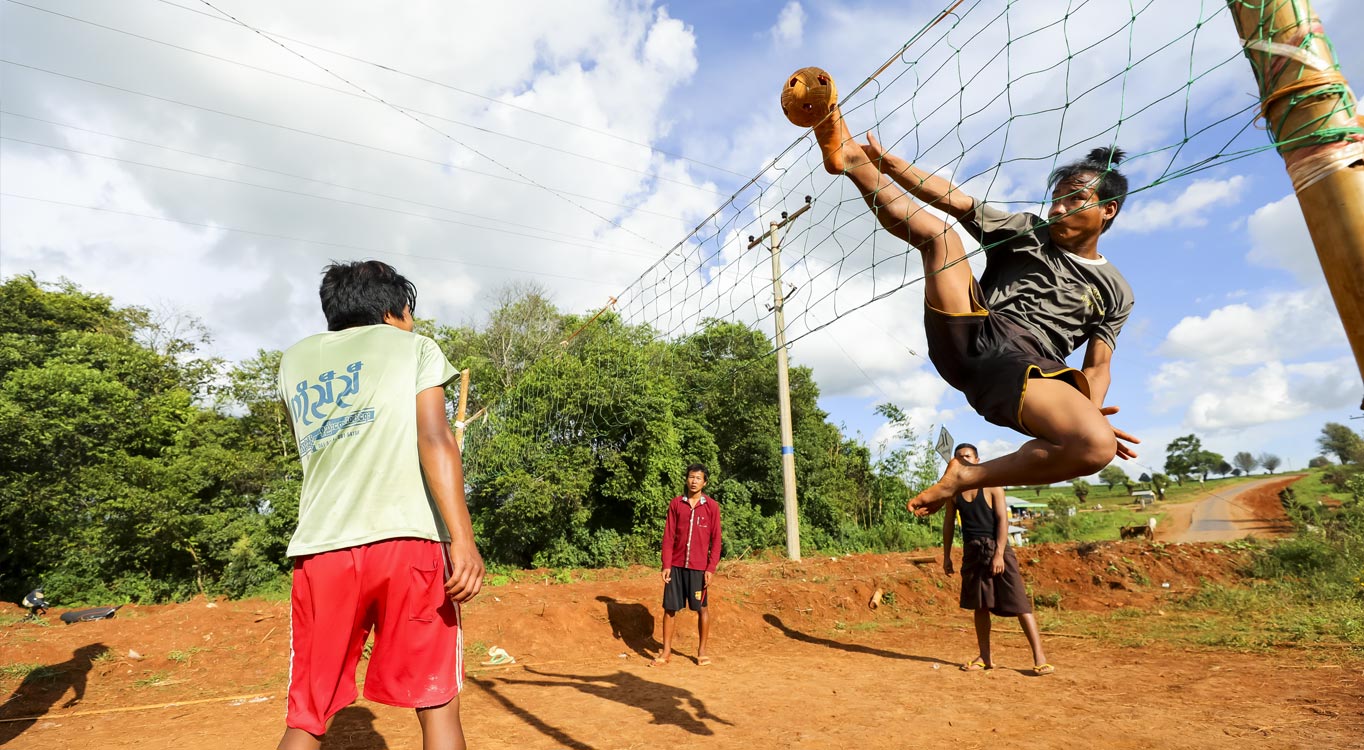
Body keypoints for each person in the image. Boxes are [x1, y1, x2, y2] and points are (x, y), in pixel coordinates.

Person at [813, 106, 1140, 514]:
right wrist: (891, 164)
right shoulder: (1026, 230)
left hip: (1029, 367)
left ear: (1108, 210)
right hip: (974, 326)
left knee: (1095, 445)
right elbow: (955, 200)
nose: (1057, 209)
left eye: (1073, 200)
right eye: (1055, 200)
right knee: (941, 236)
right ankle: (851, 157)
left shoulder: (1117, 290)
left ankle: (966, 477)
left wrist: (1087, 414)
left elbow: (1098, 367)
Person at [275, 260, 484, 750]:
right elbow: (434, 438)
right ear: (393, 311)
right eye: (410, 313)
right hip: (408, 541)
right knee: (437, 704)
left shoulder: (293, 361)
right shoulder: (415, 347)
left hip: (322, 548)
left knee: (307, 713)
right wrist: (464, 539)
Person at [938, 443, 1051, 675]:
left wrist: (999, 554)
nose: (963, 460)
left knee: (1020, 604)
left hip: (998, 550)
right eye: (959, 458)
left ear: (977, 460)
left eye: (968, 456)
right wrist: (946, 555)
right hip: (972, 552)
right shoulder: (954, 492)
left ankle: (1040, 658)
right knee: (980, 606)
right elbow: (948, 524)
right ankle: (985, 657)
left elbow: (1003, 521)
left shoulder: (992, 486)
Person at [652, 464, 721, 668]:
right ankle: (665, 652)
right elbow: (668, 536)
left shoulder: (711, 507)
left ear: (704, 482)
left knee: (702, 608)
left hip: (699, 568)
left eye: (698, 478)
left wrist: (710, 568)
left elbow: (716, 540)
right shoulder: (676, 504)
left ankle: (701, 652)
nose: (694, 481)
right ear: (686, 479)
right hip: (676, 565)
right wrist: (666, 565)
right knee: (669, 609)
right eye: (691, 477)